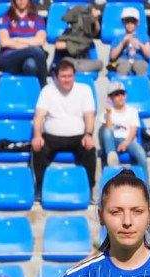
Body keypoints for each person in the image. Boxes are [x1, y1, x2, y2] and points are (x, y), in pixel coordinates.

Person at [31, 60, 97, 200]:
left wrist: (88, 135)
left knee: (90, 149)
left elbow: (89, 116)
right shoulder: (47, 90)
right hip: (52, 137)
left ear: (74, 76)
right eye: (63, 76)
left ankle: (89, 188)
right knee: (38, 147)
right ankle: (40, 187)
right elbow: (39, 116)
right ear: (56, 77)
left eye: (70, 76)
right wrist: (37, 136)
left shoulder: (85, 90)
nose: (67, 79)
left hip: (78, 137)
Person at [0, 0, 48, 81]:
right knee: (37, 51)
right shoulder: (5, 17)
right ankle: (44, 84)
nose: (21, 0)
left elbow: (40, 41)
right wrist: (30, 45)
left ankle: (30, 88)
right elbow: (4, 42)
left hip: (31, 57)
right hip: (9, 56)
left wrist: (17, 39)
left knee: (31, 65)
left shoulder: (38, 19)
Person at [99, 81, 146, 169]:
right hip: (112, 140)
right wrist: (108, 113)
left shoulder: (132, 111)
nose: (120, 97)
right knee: (105, 130)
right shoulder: (106, 113)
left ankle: (143, 178)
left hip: (128, 139)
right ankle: (112, 156)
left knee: (141, 154)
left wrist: (126, 143)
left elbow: (133, 130)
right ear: (110, 98)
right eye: (117, 94)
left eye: (122, 94)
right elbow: (108, 131)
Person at [50, 2, 102, 73]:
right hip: (68, 62)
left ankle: (76, 68)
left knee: (99, 63)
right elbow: (58, 45)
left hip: (84, 63)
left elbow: (96, 31)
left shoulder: (86, 34)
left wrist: (95, 19)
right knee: (67, 63)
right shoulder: (68, 32)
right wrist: (78, 44)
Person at [108, 6, 150, 77]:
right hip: (122, 61)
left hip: (139, 61)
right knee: (124, 65)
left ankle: (140, 82)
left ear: (137, 23)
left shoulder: (143, 37)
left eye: (133, 21)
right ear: (123, 22)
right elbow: (112, 57)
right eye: (127, 21)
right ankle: (121, 82)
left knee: (140, 65)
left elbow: (148, 55)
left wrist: (140, 44)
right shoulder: (118, 38)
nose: (130, 24)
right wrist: (122, 43)